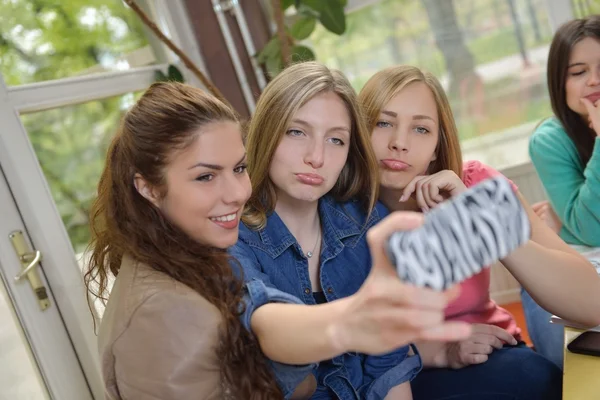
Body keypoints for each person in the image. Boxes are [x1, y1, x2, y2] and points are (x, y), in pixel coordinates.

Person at [230, 62, 472, 399]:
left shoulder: (367, 222)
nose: (316, 157)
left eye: (336, 140)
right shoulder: (233, 236)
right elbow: (265, 328)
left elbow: (388, 368)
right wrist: (351, 322)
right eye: (296, 132)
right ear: (267, 133)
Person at [359, 64, 600, 399]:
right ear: (359, 130)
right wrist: (437, 347)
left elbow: (593, 301)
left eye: (421, 129)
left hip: (496, 356)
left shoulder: (474, 182)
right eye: (384, 123)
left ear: (436, 145)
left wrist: (480, 219)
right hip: (397, 371)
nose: (399, 142)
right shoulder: (338, 215)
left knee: (534, 378)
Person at [84, 82, 286, 399]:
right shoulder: (166, 314)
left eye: (239, 168)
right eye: (206, 176)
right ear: (149, 188)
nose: (237, 194)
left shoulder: (177, 258)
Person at [521, 15, 600, 369]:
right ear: (560, 82)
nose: (594, 81)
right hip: (583, 259)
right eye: (578, 71)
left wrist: (564, 222)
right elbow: (588, 228)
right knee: (566, 358)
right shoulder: (549, 140)